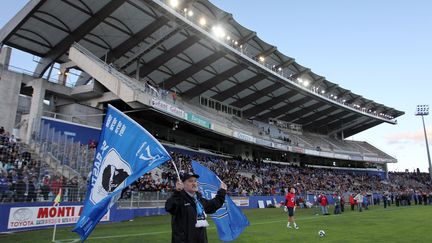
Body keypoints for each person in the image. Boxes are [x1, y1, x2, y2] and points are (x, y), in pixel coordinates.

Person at [165, 171, 227, 243]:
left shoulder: (199, 200)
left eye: (195, 181)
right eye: (190, 181)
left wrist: (222, 191)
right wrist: (177, 192)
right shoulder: (179, 199)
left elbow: (213, 205)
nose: (194, 183)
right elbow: (169, 207)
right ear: (183, 184)